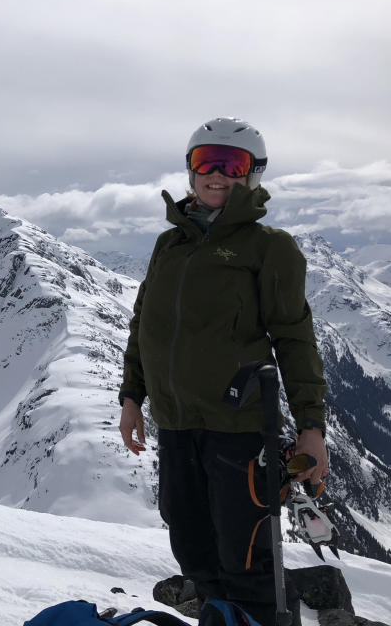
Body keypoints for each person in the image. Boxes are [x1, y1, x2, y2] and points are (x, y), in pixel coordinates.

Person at [118, 119, 328, 626]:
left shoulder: (269, 247)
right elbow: (145, 321)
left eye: (230, 164)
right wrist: (132, 396)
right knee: (190, 543)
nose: (216, 174)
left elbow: (294, 338)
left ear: (252, 175)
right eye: (204, 161)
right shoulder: (169, 246)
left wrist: (311, 428)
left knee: (246, 553)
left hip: (239, 430)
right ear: (190, 171)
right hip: (176, 423)